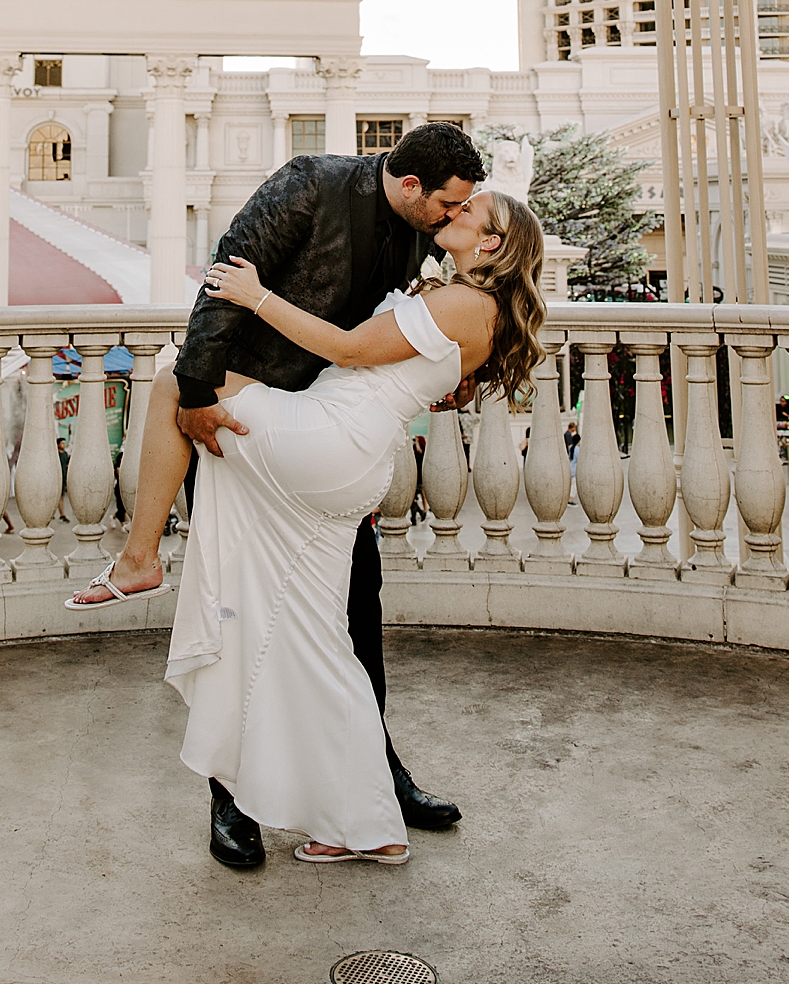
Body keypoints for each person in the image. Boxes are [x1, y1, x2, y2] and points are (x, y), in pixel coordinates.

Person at [66, 120, 486, 866]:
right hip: (243, 419)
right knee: (236, 610)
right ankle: (234, 803)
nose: (456, 217)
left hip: (322, 437)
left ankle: (373, 781)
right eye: (449, 204)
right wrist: (194, 392)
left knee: (354, 619)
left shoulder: (428, 228)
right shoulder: (310, 182)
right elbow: (225, 286)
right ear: (412, 185)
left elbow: (413, 330)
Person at [169, 188, 543, 864]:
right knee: (318, 641)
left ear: (491, 244)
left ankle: (138, 557)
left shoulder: (463, 303)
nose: (454, 215)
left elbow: (345, 349)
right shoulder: (463, 298)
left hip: (328, 443)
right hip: (346, 458)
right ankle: (363, 822)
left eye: (469, 213)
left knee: (183, 386)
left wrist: (254, 296)